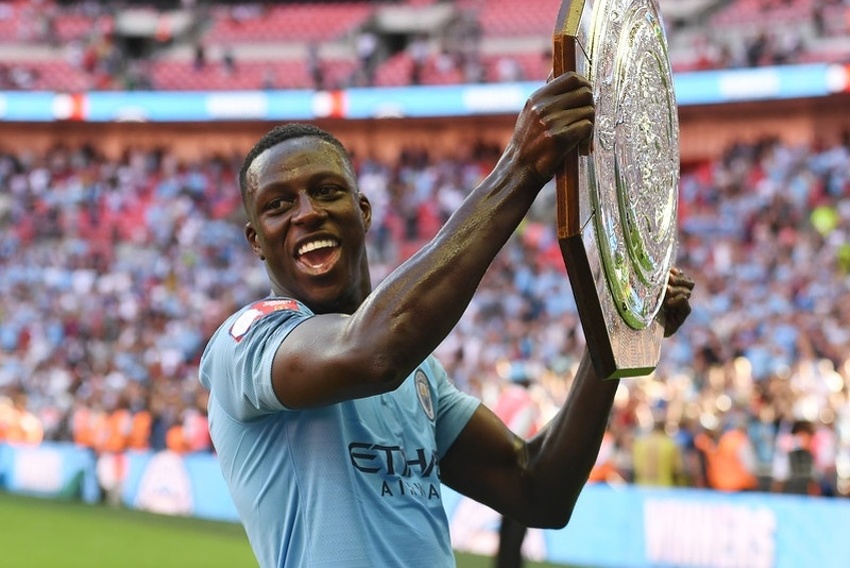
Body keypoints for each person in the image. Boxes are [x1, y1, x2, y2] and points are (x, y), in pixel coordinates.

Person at [199, 72, 695, 568]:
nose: (306, 213)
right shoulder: (245, 343)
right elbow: (373, 353)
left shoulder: (420, 376)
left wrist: (612, 333)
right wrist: (519, 169)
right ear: (256, 241)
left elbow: (538, 488)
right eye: (278, 205)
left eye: (327, 191)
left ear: (363, 211)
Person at [492, 362, 541, 568]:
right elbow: (517, 434)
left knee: (506, 521)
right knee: (517, 523)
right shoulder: (525, 402)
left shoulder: (502, 398)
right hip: (519, 469)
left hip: (499, 467)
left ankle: (504, 561)